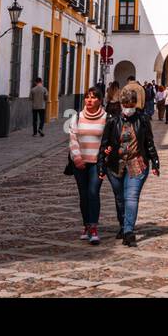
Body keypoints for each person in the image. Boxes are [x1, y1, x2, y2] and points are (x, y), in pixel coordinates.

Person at [99, 85, 159, 247]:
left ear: (135, 104)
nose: (128, 109)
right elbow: (104, 145)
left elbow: (149, 142)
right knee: (120, 198)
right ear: (121, 105)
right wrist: (101, 166)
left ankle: (128, 231)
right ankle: (123, 224)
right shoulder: (112, 121)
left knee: (131, 197)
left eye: (131, 106)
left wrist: (155, 162)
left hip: (137, 164)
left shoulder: (143, 120)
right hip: (115, 166)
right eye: (125, 106)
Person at [68, 85, 107, 245]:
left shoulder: (106, 118)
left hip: (96, 163)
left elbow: (107, 140)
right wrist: (77, 157)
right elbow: (72, 138)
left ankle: (93, 227)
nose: (89, 100)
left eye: (93, 97)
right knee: (83, 195)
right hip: (80, 163)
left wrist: (105, 156)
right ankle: (86, 225)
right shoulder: (76, 117)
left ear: (100, 100)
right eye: (87, 97)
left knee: (93, 193)